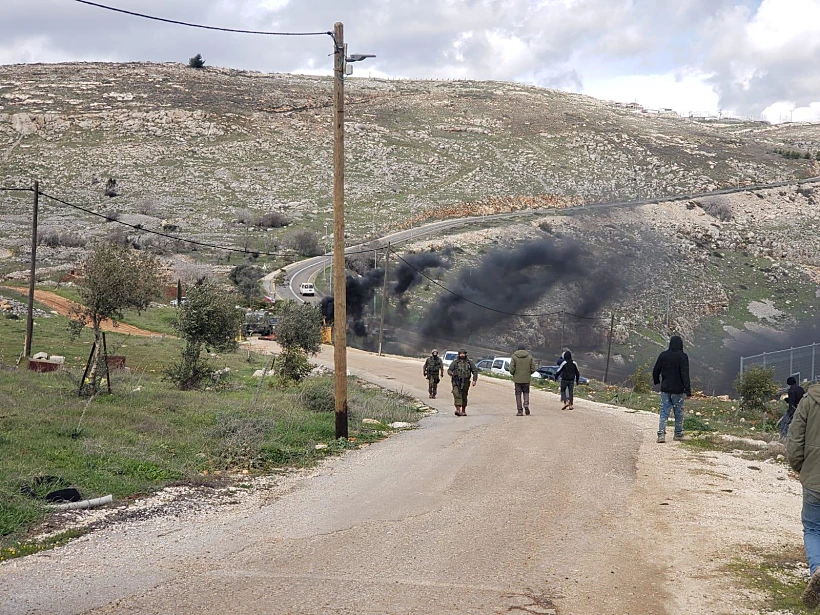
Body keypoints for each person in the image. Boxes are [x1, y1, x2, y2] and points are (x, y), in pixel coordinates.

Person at [786, 384, 820, 608]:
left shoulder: (810, 400)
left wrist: (800, 466)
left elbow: (795, 438)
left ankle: (817, 569)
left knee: (813, 528)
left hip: (814, 477)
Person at [652, 335, 691, 443]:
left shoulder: (663, 355)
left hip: (665, 389)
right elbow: (685, 375)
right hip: (678, 390)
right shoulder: (683, 357)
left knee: (664, 411)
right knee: (678, 412)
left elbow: (656, 370)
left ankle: (661, 434)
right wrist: (688, 391)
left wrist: (657, 381)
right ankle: (678, 434)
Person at [448, 348, 478, 417]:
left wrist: (474, 380)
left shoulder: (469, 363)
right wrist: (452, 374)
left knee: (464, 395)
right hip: (456, 381)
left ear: (465, 354)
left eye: (463, 353)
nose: (462, 355)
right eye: (461, 353)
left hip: (466, 381)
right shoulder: (455, 362)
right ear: (459, 354)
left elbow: (475, 371)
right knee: (456, 393)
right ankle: (458, 410)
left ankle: (463, 410)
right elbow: (449, 370)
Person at [509, 343, 535, 416]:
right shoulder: (529, 356)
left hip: (517, 379)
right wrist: (529, 373)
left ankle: (520, 411)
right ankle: (526, 404)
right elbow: (533, 368)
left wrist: (513, 373)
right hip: (526, 378)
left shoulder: (514, 356)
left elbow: (511, 369)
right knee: (526, 392)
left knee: (518, 394)